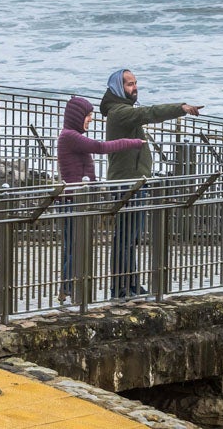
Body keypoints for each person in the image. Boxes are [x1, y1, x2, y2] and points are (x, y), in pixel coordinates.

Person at [100, 69, 202, 298]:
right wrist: (181, 108)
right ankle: (120, 287)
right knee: (125, 238)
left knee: (130, 238)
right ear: (117, 87)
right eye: (129, 84)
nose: (134, 87)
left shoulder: (123, 111)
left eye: (135, 83)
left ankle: (131, 284)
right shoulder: (119, 112)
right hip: (127, 184)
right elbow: (150, 112)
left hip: (136, 181)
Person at [55, 96, 144, 306]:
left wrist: (94, 184)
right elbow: (100, 147)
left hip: (76, 199)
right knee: (76, 245)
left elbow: (85, 165)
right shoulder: (70, 136)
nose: (90, 120)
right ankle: (68, 287)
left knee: (73, 245)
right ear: (77, 116)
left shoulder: (71, 136)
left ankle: (68, 288)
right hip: (73, 201)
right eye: (87, 116)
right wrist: (134, 142)